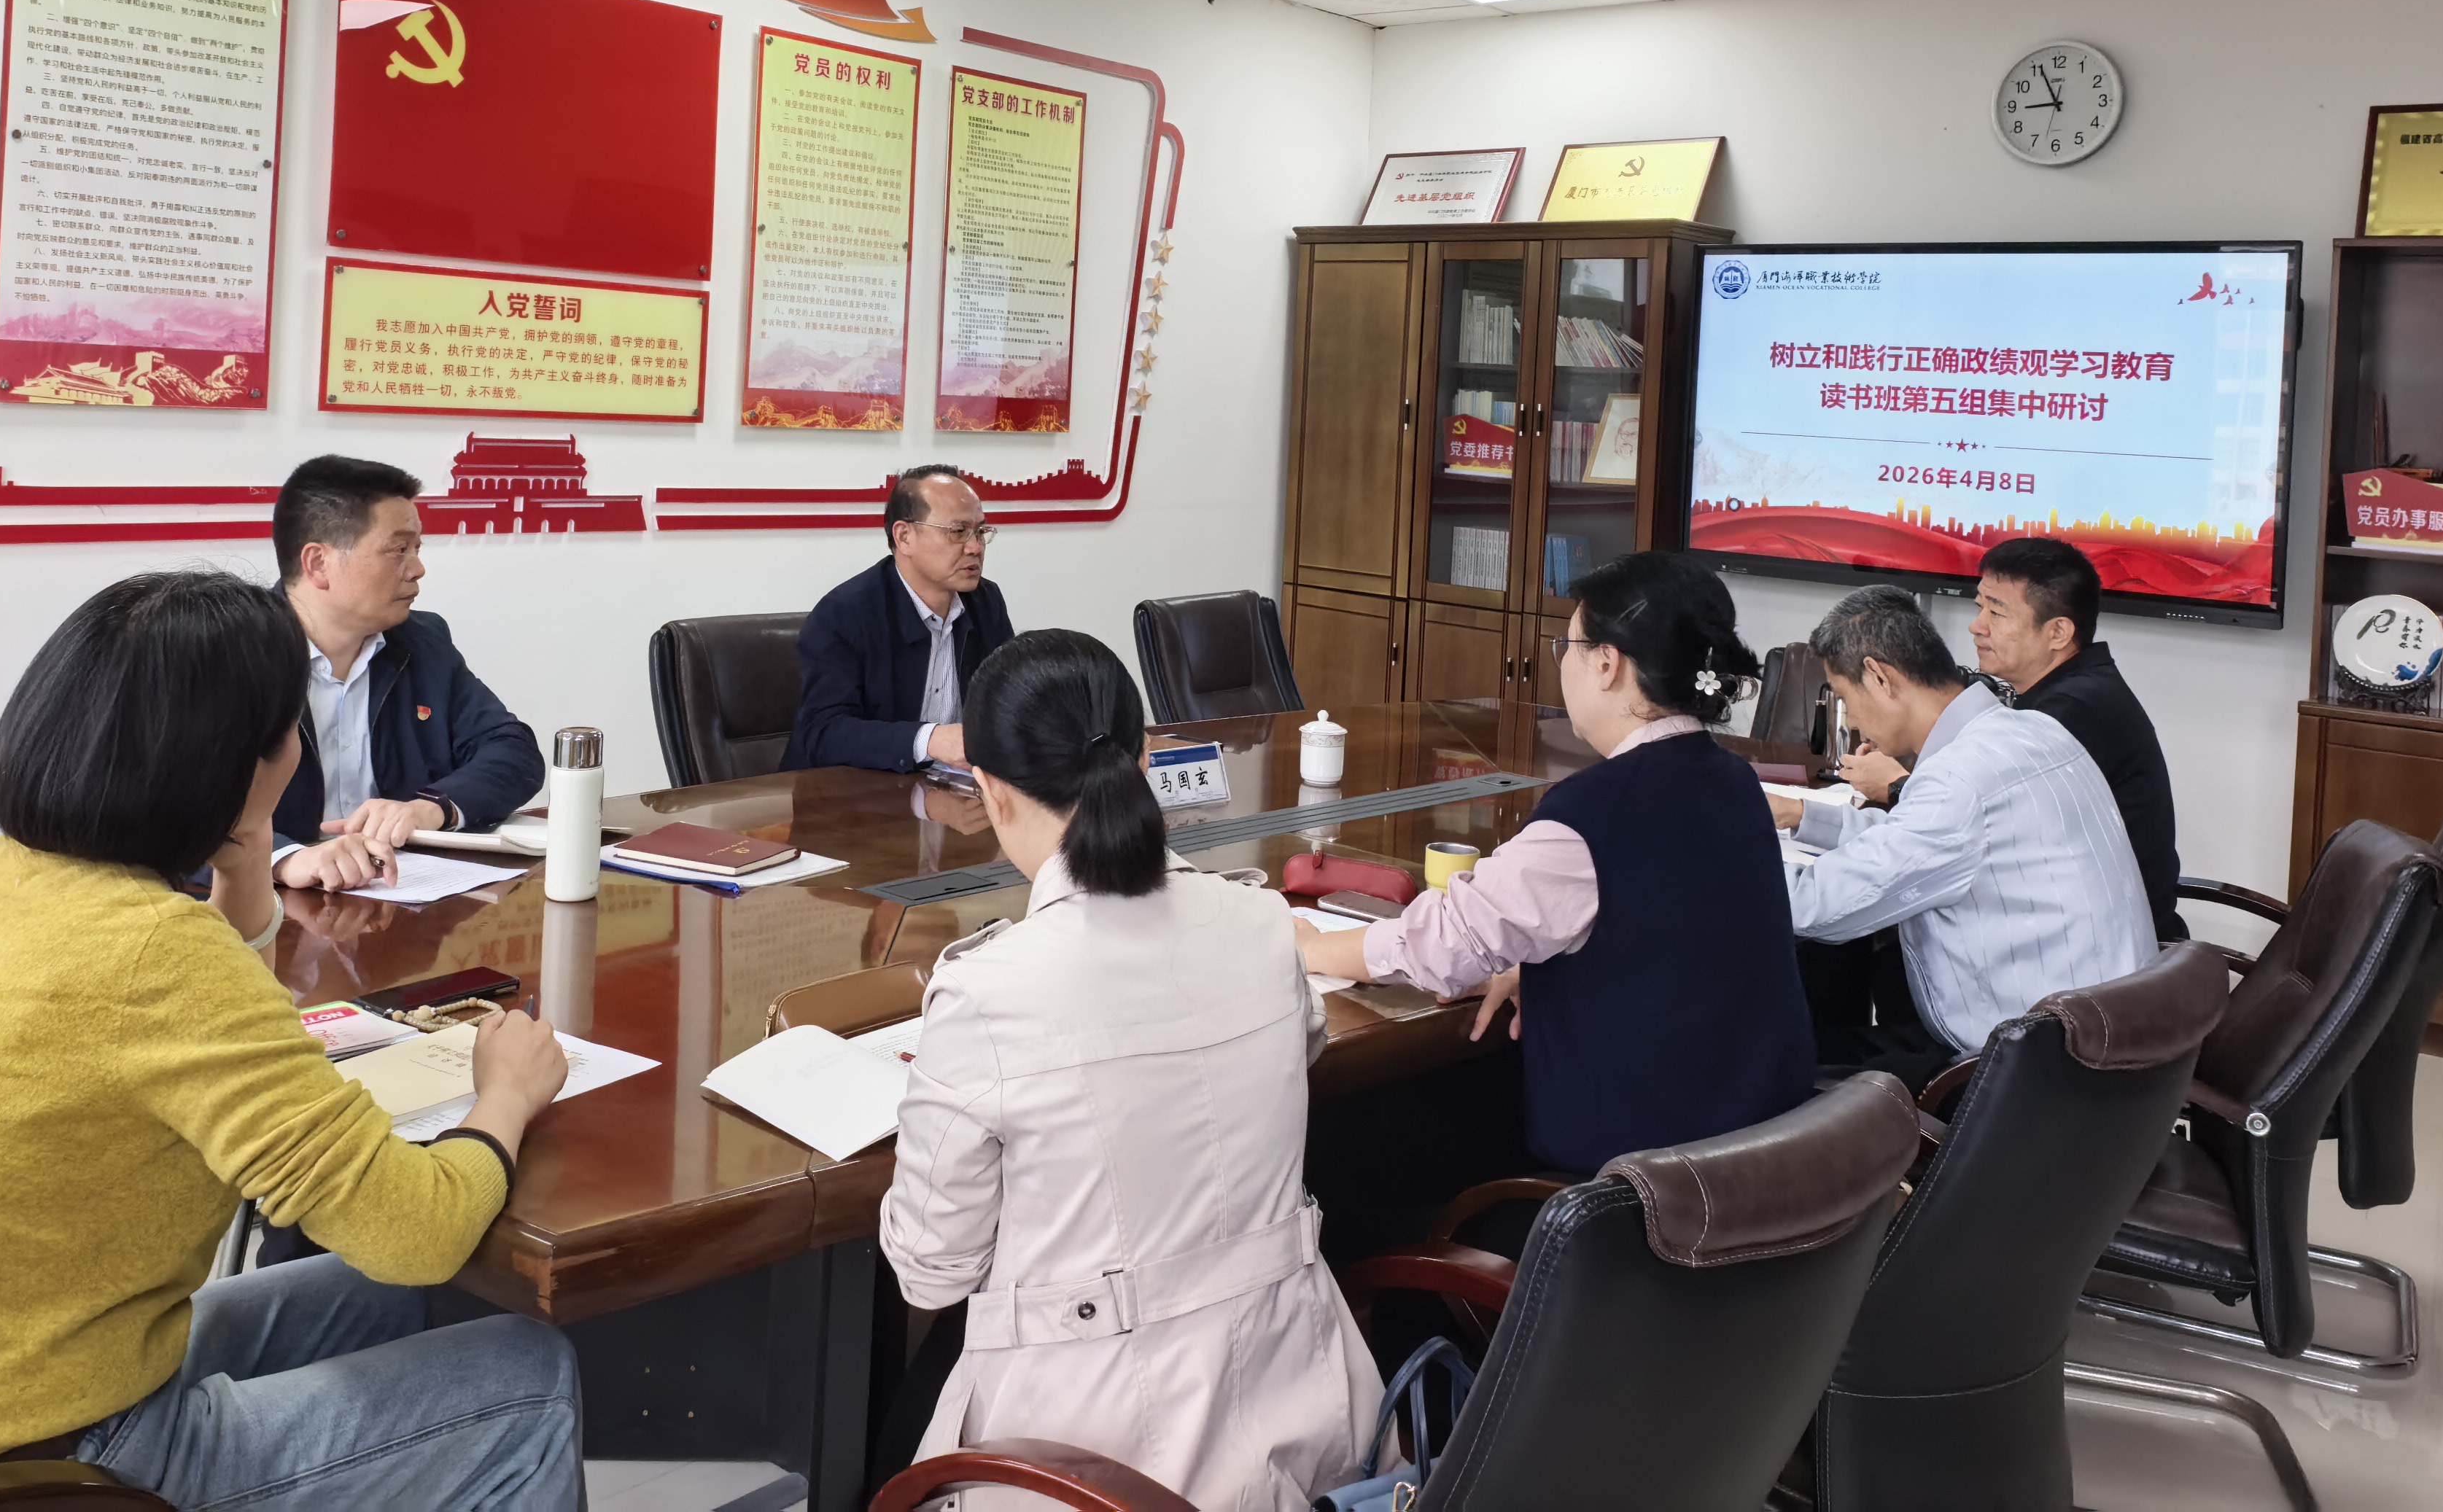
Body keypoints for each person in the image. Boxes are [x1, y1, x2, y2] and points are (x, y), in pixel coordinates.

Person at [0, 571, 580, 1511]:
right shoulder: (158, 953)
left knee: (383, 1302)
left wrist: (246, 847)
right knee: (527, 1369)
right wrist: (505, 1095)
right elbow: (417, 1232)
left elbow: (181, 1013)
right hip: (20, 1472)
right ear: (247, 761)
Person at [879, 630, 1378, 1510]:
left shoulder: (986, 990)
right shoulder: (1263, 924)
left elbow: (931, 1273)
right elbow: (1294, 1051)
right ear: (1146, 758)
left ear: (989, 791)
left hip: (1080, 1460)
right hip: (1301, 1420)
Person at [1297, 553, 1817, 1177]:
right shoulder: (1735, 782)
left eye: (1567, 647)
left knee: (1382, 1140)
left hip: (1637, 1184)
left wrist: (1311, 949)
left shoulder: (1592, 814)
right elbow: (1677, 934)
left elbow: (1440, 945)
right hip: (1760, 1153)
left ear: (1607, 664)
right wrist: (1545, 965)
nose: (1562, 664)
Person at [1771, 585, 2156, 1087]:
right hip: (2102, 1047)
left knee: (1777, 1058)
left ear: (1880, 678)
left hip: (2023, 1077)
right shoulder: (2031, 730)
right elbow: (1916, 842)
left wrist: (1710, 857)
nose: (1856, 722)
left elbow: (1813, 908)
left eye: (1845, 698)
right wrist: (1803, 816)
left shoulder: (1959, 780)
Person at [272, 455, 544, 892]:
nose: (417, 569)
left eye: (417, 549)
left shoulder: (422, 643)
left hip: (403, 895)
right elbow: (172, 808)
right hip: (272, 907)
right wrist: (285, 858)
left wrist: (432, 808)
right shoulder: (226, 651)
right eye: (399, 550)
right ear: (318, 564)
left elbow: (514, 752)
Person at [1971, 537, 2187, 943]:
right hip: (2083, 924)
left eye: (1996, 612)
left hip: (2112, 951)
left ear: (2058, 632)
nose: (1977, 626)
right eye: (1979, 606)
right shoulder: (2077, 688)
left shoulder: (2073, 710)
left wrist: (1897, 786)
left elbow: (1979, 819)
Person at [785, 464, 1016, 774]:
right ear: (904, 537)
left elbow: (1009, 703)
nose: (975, 548)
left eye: (981, 532)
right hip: (857, 793)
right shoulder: (844, 613)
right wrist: (930, 740)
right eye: (958, 532)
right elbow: (822, 733)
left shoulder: (985, 602)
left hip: (953, 787)